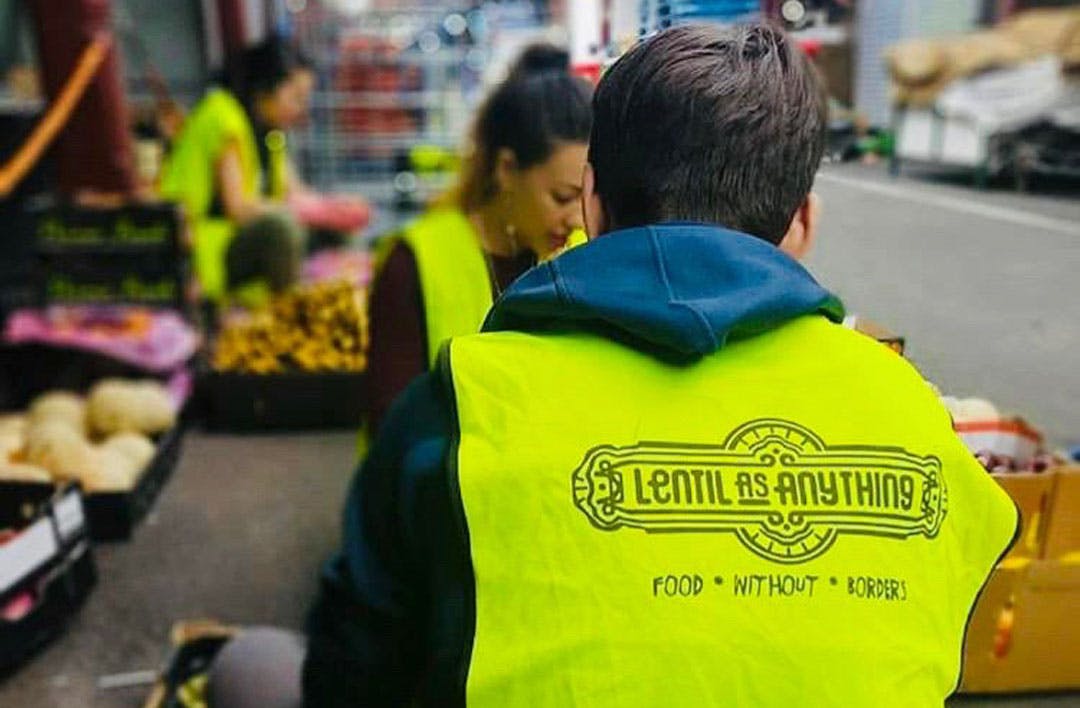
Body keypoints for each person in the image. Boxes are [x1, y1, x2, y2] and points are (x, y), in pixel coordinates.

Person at [301, 23, 1019, 706]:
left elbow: (354, 666)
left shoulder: (463, 405)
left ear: (592, 201)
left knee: (255, 670)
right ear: (802, 221)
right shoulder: (909, 411)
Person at [363, 44, 592, 436]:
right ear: (506, 169)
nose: (576, 216)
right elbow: (393, 430)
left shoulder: (584, 252)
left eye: (587, 197)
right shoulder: (415, 263)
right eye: (562, 197)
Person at [160, 35, 311, 304]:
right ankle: (288, 321)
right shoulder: (223, 116)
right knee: (282, 230)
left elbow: (294, 192)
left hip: (235, 240)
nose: (301, 109)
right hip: (198, 248)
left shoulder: (270, 134)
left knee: (329, 230)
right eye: (296, 97)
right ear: (267, 87)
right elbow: (238, 207)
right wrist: (301, 210)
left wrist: (337, 210)